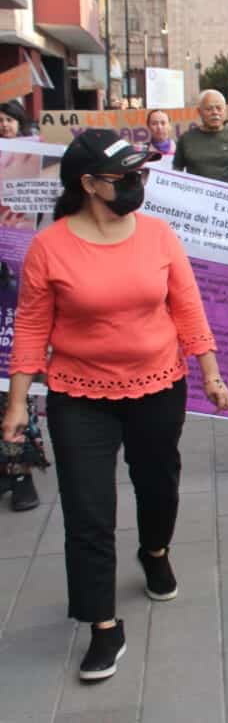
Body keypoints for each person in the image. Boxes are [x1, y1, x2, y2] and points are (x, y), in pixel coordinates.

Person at [4, 130, 228, 681]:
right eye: (126, 177)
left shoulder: (158, 236)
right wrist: (15, 405)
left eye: (141, 175)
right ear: (87, 184)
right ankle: (102, 624)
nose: (138, 185)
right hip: (78, 395)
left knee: (159, 485)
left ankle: (154, 551)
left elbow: (187, 306)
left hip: (158, 386)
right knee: (87, 513)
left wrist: (210, 371)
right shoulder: (50, 246)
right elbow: (33, 326)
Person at [0, 100, 41, 511]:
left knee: (14, 380)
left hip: (15, 279)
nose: (4, 126)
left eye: (9, 119)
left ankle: (22, 471)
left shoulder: (31, 161)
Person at [172, 90, 228, 184]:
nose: (215, 112)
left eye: (219, 108)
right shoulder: (186, 139)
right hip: (196, 196)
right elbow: (176, 170)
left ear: (225, 111)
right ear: (199, 112)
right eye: (209, 109)